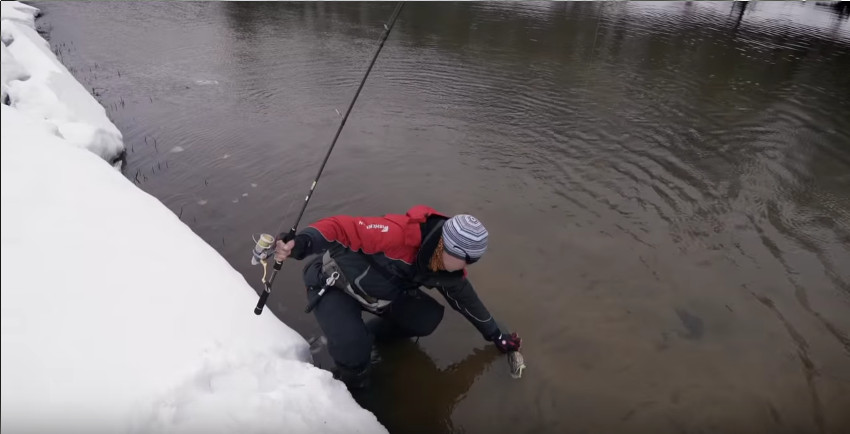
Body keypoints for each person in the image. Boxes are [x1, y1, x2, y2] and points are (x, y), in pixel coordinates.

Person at [273, 205, 522, 389]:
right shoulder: (397, 234)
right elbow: (340, 227)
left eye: (472, 260)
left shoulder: (445, 268)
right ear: (447, 246)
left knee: (427, 317)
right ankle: (349, 388)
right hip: (334, 284)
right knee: (354, 353)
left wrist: (496, 335)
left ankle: (371, 337)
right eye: (465, 259)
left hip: (380, 295)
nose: (466, 265)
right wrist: (304, 242)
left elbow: (466, 300)